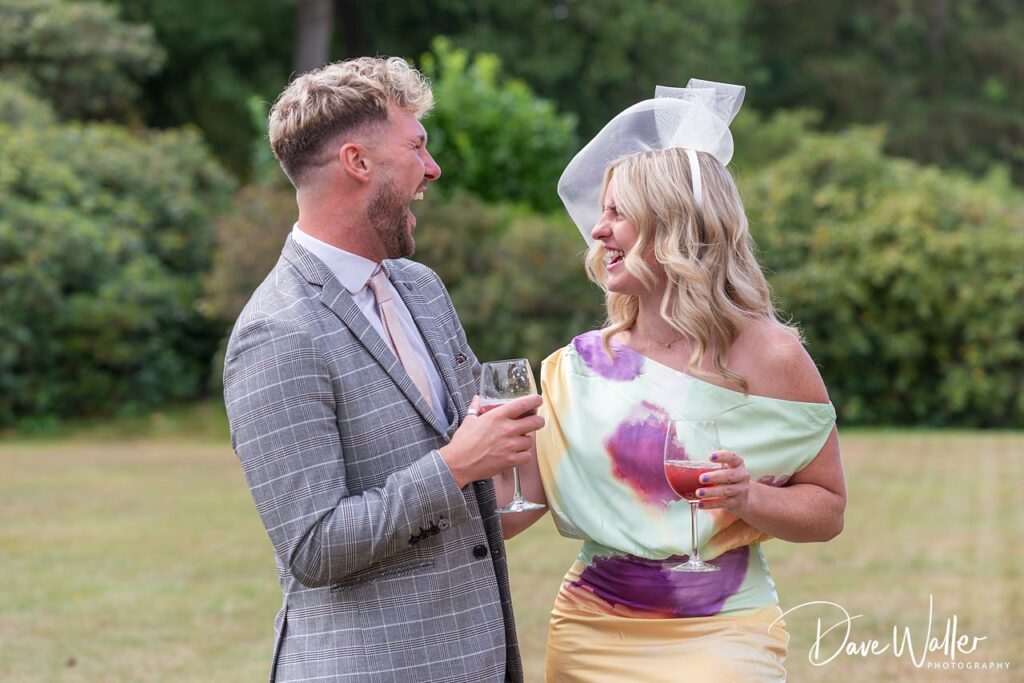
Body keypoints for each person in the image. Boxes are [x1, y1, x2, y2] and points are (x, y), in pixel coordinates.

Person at [500, 80, 847, 681]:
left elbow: (829, 509)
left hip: (723, 630)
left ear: (676, 227)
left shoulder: (771, 356)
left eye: (617, 214)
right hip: (589, 631)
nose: (598, 231)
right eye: (600, 213)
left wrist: (750, 499)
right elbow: (519, 507)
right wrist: (461, 468)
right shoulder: (577, 367)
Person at [222, 56, 543, 683]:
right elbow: (313, 547)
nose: (432, 168)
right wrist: (457, 464)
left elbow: (483, 501)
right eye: (417, 146)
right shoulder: (276, 333)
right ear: (358, 162)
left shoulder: (420, 288)